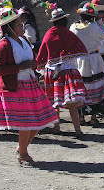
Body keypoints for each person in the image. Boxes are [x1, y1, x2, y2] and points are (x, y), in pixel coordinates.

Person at [0, 7, 58, 165]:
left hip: (30, 84)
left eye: (21, 24)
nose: (22, 27)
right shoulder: (4, 45)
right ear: (9, 28)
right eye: (18, 25)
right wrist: (19, 67)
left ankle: (21, 148)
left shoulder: (24, 41)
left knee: (43, 117)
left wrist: (35, 64)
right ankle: (23, 153)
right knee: (27, 121)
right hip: (14, 86)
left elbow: (31, 60)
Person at [36, 8, 88, 137]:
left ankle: (56, 126)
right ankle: (77, 129)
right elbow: (80, 48)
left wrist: (39, 64)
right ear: (65, 20)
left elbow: (43, 52)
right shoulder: (69, 34)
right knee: (71, 103)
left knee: (55, 101)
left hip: (51, 71)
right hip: (68, 70)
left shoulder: (49, 34)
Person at [70, 3, 104, 125]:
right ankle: (93, 116)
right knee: (94, 86)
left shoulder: (73, 27)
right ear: (92, 17)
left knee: (81, 86)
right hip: (94, 59)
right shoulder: (94, 27)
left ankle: (81, 116)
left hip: (79, 59)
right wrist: (99, 21)